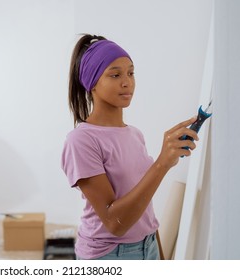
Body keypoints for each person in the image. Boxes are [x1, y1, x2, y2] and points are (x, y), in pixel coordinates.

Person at [61, 34, 199, 260]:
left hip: (149, 246)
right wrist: (162, 164)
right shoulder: (81, 141)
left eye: (131, 73)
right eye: (115, 75)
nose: (127, 82)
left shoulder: (135, 134)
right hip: (110, 256)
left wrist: (160, 255)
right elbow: (115, 224)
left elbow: (145, 208)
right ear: (91, 82)